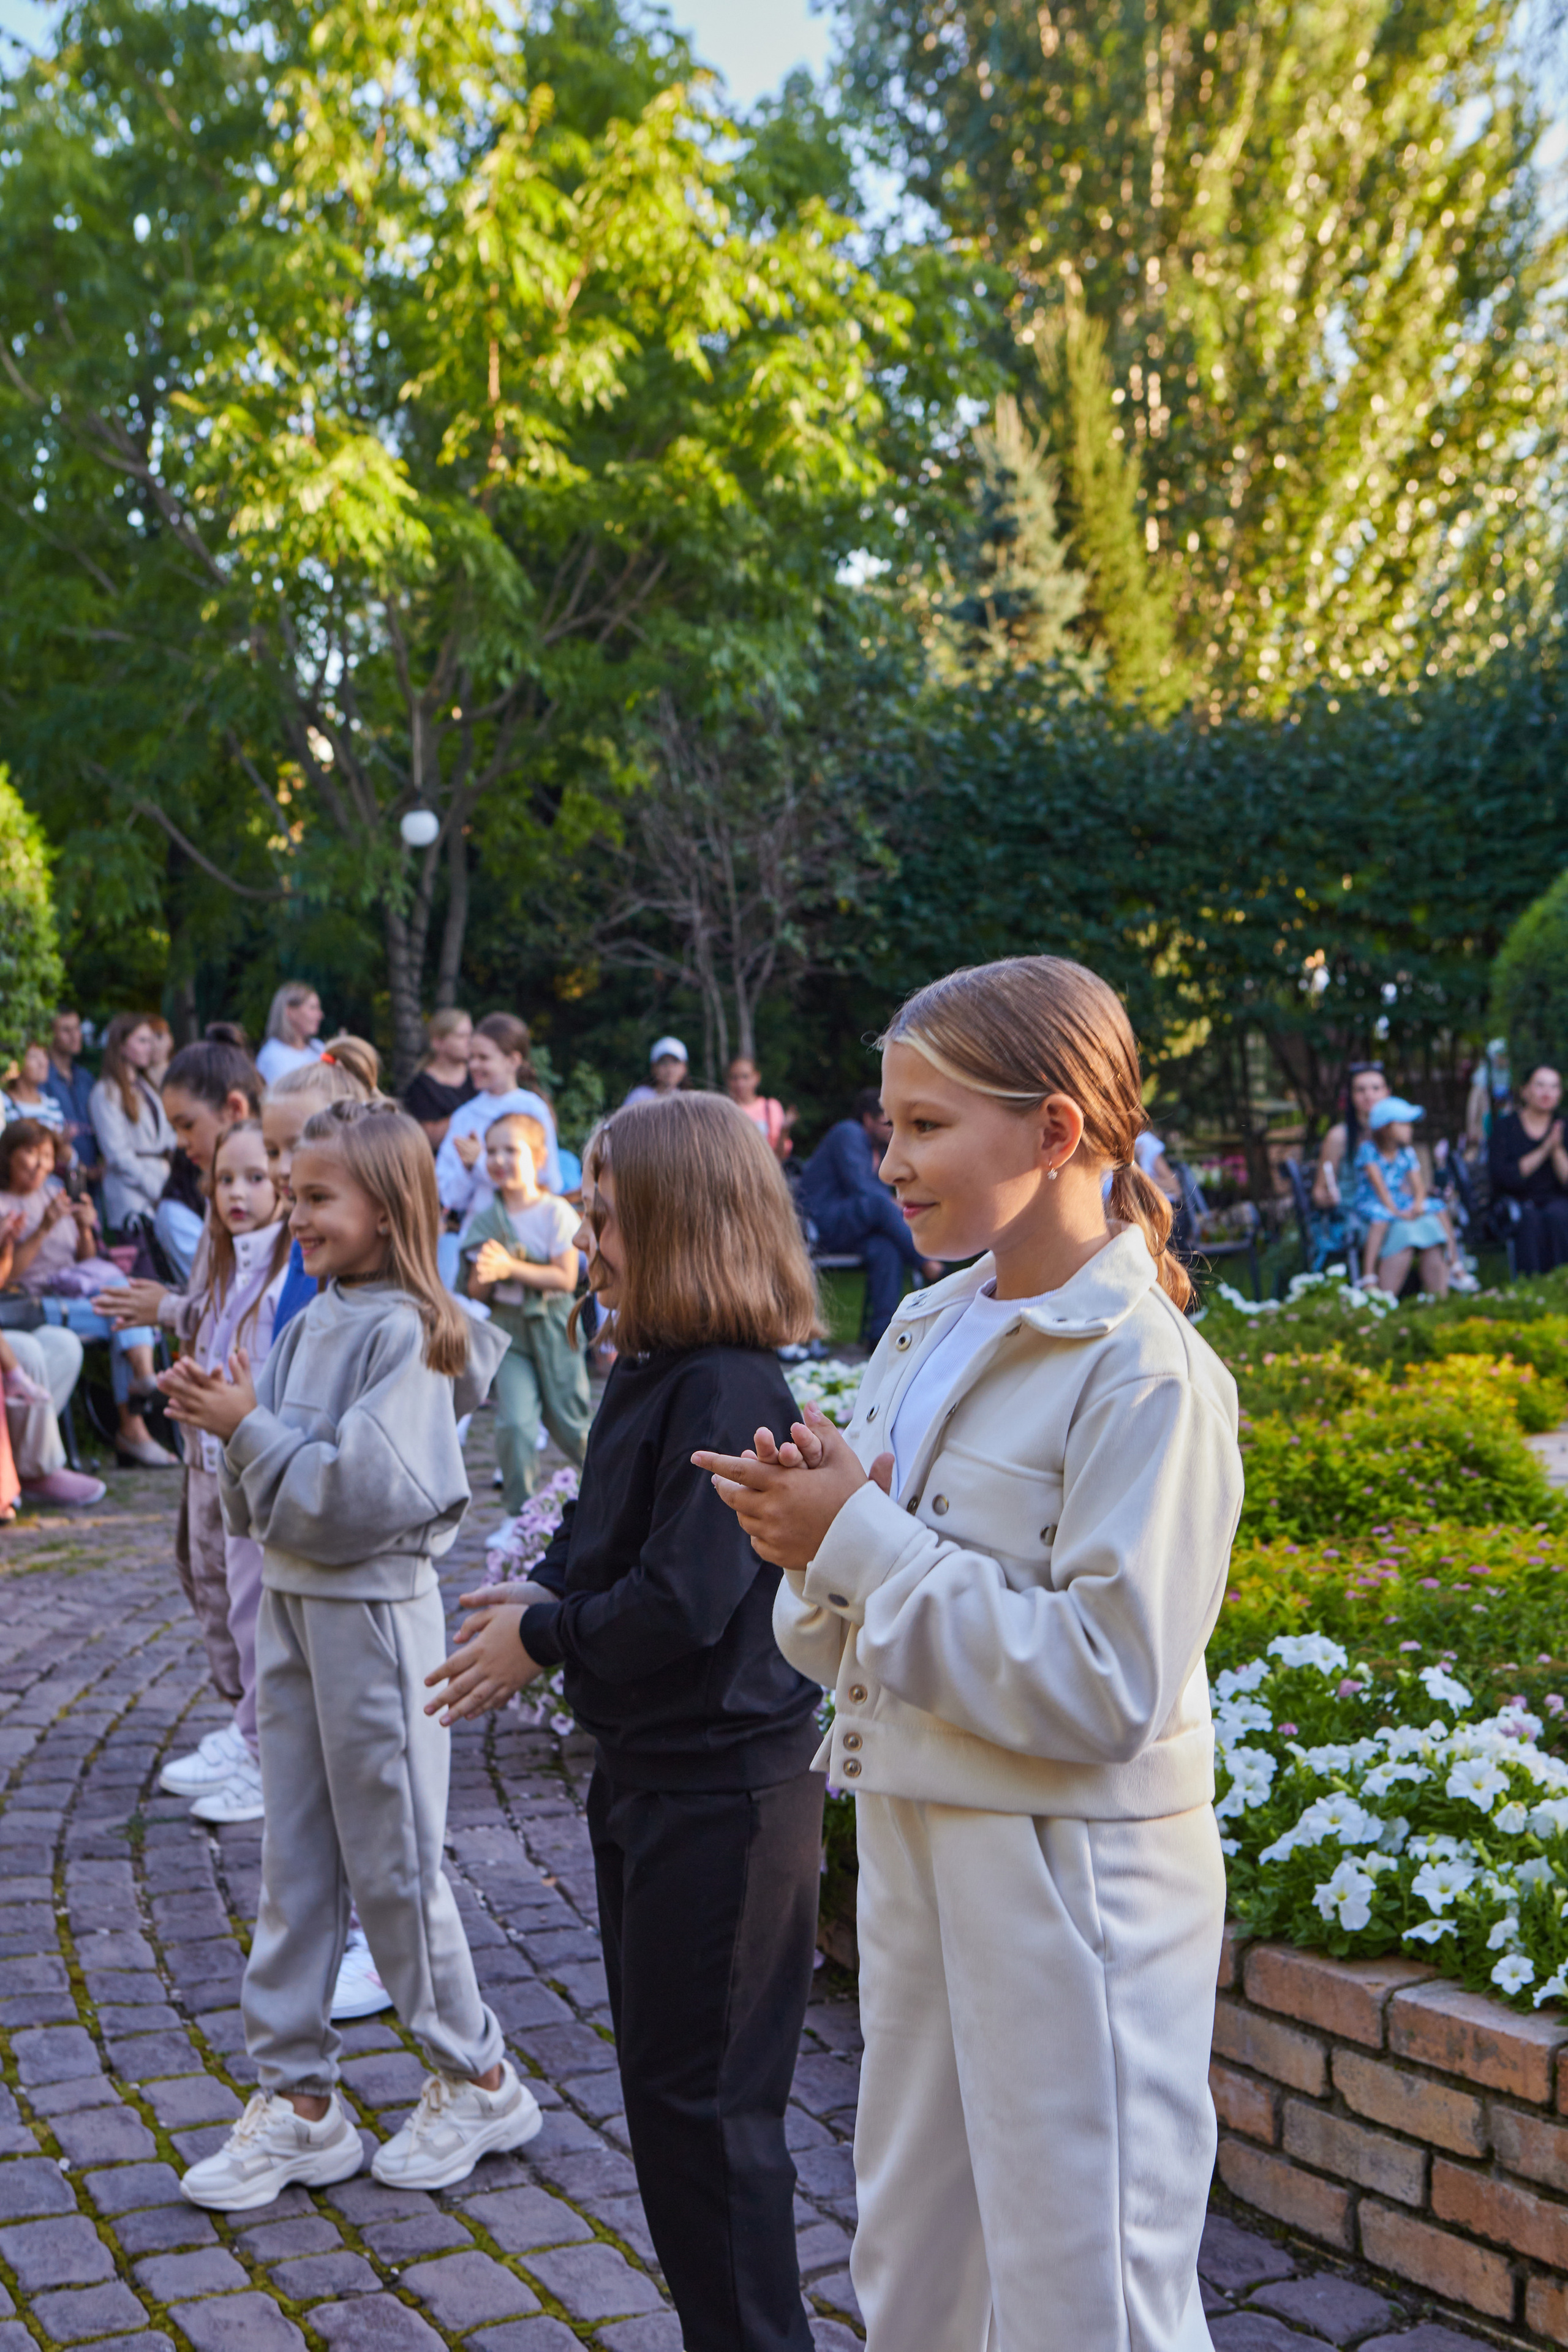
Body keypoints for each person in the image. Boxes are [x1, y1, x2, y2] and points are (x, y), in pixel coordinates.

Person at [696, 954, 1245, 2352]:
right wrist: (809, 1532)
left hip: (1075, 1888)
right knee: (917, 2265)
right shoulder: (931, 1321)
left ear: (1055, 1129)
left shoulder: (1146, 1371)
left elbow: (1104, 1683)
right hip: (914, 1843)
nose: (888, 1162)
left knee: (1087, 2295)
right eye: (887, 1125)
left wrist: (859, 1539)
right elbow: (844, 1635)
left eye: (926, 1125)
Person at [426, 1093, 825, 2352]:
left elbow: (687, 1599)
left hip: (724, 1795)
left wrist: (542, 1635)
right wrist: (547, 1597)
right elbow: (625, 1555)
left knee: (710, 2120)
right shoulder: (657, 1371)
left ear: (678, 1224)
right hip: (660, 1780)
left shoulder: (726, 1385)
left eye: (605, 1215)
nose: (587, 1239)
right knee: (670, 2107)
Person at [164, 1100, 524, 2211]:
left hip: (371, 1616)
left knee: (396, 1861)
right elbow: (273, 1497)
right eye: (292, 1190)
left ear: (389, 1207)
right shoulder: (317, 1316)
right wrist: (233, 1426)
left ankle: (480, 2074)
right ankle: (301, 2100)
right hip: (298, 1609)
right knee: (299, 1858)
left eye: (317, 1196)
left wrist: (246, 1430)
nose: (293, 1212)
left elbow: (365, 1497)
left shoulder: (408, 1331)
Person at [126, 1120, 289, 1827]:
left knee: (259, 1613)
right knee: (227, 1598)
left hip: (257, 1459)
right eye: (225, 1180)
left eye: (255, 1177)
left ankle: (265, 1751)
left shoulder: (285, 1264)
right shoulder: (228, 1256)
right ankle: (249, 1732)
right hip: (219, 1455)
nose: (237, 1193)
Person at [0, 1119, 175, 1467]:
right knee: (124, 1309)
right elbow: (6, 1279)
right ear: (8, 1157)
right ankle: (136, 1412)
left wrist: (84, 1229)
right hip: (31, 1303)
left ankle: (138, 1406)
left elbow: (87, 1263)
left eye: (47, 1155)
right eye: (31, 1153)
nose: (40, 1164)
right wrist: (44, 1228)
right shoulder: (4, 1203)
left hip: (78, 1297)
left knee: (122, 1308)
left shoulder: (56, 1192)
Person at [462, 1113, 590, 1513]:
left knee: (573, 1426)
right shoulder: (486, 1218)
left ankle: (611, 1496)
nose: (499, 1160)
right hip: (508, 1327)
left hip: (555, 1323)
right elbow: (475, 1290)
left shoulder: (555, 1212)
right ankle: (519, 1515)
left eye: (510, 1150)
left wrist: (511, 1267)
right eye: (492, 1151)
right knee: (515, 1424)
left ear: (537, 1157)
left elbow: (566, 1278)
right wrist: (485, 1274)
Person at [795, 1088, 942, 1349]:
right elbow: (860, 1187)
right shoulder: (848, 1134)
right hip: (818, 1225)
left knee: (885, 1250)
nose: (891, 1130)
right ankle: (928, 1262)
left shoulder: (880, 1149)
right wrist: (893, 1205)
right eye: (887, 1123)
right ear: (867, 1119)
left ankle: (879, 1336)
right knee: (879, 1205)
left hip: (849, 1228)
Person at [156, 1025, 262, 1277]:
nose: (180, 1143)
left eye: (188, 1126)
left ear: (236, 1109)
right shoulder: (211, 1187)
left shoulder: (276, 1196)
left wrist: (166, 1306)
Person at [435, 1014, 562, 1218]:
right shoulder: (465, 1116)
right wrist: (467, 1168)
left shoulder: (533, 1109)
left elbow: (549, 1180)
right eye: (472, 1058)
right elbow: (448, 1195)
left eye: (483, 1058)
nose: (474, 1066)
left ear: (512, 1061)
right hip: (476, 1234)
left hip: (528, 1230)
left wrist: (481, 1162)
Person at [1352, 1096, 1454, 1298]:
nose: (1410, 1129)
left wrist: (1417, 1206)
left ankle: (1455, 1266)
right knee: (1382, 1219)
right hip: (1376, 1203)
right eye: (1403, 1124)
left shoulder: (1406, 1152)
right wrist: (1398, 1213)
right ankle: (1369, 1277)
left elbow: (1419, 1187)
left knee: (1435, 1211)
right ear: (1386, 1128)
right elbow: (1379, 1187)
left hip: (1399, 1202)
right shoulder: (1369, 1151)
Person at [89, 1013, 177, 1230]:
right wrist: (156, 1187)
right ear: (120, 1045)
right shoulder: (106, 1092)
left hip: (161, 1188)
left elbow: (167, 1136)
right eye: (142, 1040)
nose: (150, 1047)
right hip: (131, 1198)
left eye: (151, 1040)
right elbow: (118, 1154)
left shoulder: (147, 1087)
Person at [1487, 1065, 1568, 1276]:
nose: (1546, 1093)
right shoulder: (1505, 1128)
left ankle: (1561, 1283)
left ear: (1560, 1094)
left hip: (1556, 1200)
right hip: (1516, 1201)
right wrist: (1544, 1149)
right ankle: (1531, 1287)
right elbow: (1506, 1177)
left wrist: (1557, 1149)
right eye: (1540, 1085)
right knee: (1529, 1220)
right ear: (1525, 1091)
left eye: (1553, 1087)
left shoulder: (1564, 1127)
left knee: (1559, 1216)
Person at [1311, 1060, 1391, 1269]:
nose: (1369, 1095)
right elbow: (1318, 1193)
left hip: (1392, 1211)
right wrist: (1329, 1197)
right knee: (1403, 1231)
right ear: (1351, 1097)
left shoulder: (1396, 1133)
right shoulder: (1339, 1137)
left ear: (1387, 1093)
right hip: (1356, 1217)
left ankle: (1436, 1297)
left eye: (1376, 1088)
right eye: (1361, 1090)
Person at [402, 1010, 475, 1148]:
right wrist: (475, 1110)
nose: (469, 1042)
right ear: (438, 1043)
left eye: (471, 1035)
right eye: (461, 1036)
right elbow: (428, 1139)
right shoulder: (421, 1087)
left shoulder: (478, 1076)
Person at [43, 1010, 98, 1169]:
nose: (76, 1036)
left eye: (77, 1028)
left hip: (93, 1174)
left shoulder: (86, 1078)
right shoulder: (42, 1078)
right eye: (66, 1030)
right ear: (50, 1034)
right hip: (55, 1173)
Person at [725, 1055, 794, 1159]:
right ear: (728, 1081)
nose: (740, 1084)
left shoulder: (771, 1107)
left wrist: (784, 1130)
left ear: (757, 1077)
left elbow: (780, 1155)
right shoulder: (724, 1110)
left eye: (745, 1077)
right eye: (734, 1078)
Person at [255, 984, 326, 1087]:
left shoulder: (319, 1048)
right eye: (312, 1008)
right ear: (290, 1012)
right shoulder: (273, 1055)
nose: (320, 1015)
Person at [2, 1042, 69, 1140]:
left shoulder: (52, 1105)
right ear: (15, 1062)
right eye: (33, 1057)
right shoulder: (3, 1103)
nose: (43, 1062)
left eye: (44, 1054)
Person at [622, 1035, 688, 1108]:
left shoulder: (687, 1101)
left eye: (675, 1063)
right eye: (663, 1063)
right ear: (653, 1068)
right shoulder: (639, 1097)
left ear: (684, 1068)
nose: (670, 1069)